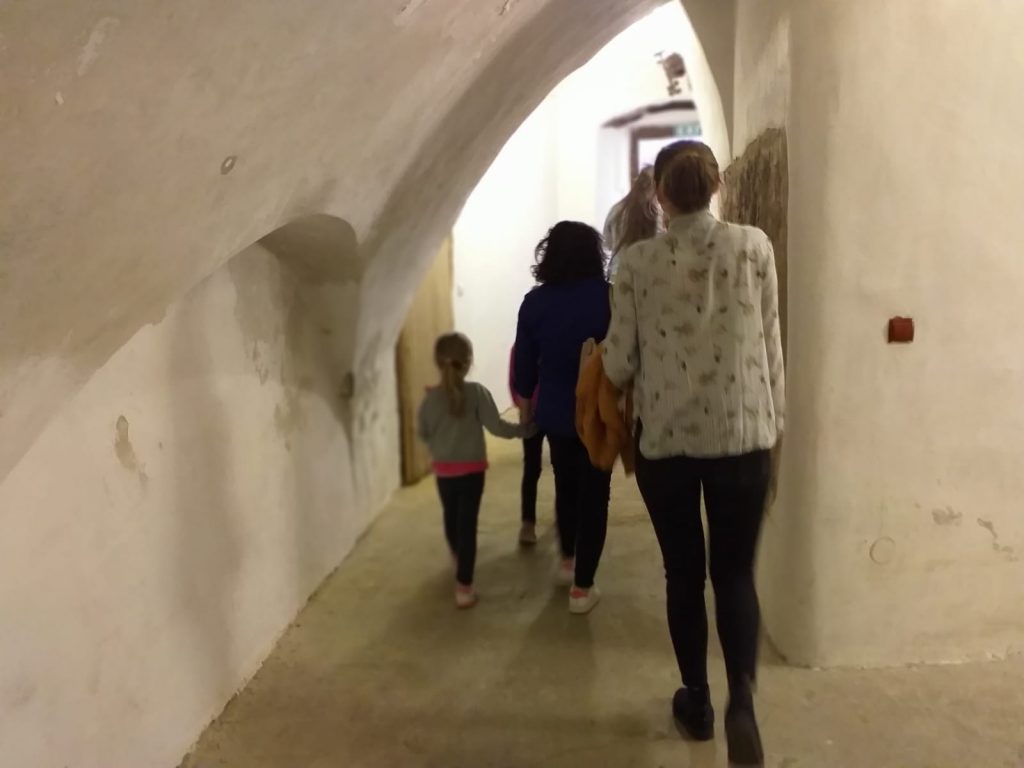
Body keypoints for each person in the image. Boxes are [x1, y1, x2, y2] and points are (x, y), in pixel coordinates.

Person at [602, 140, 785, 767]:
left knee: (683, 574)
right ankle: (742, 704)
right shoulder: (754, 246)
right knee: (735, 574)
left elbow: (620, 362)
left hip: (668, 442)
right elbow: (770, 343)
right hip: (743, 436)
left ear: (659, 195)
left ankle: (697, 702)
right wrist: (774, 423)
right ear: (715, 186)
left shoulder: (636, 263)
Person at [513, 221, 612, 615]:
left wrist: (526, 407)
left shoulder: (534, 303)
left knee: (566, 485)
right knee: (595, 494)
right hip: (599, 413)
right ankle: (582, 589)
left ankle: (568, 560)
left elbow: (524, 367)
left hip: (556, 412)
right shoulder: (609, 297)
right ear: (594, 254)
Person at [418, 333, 536, 609]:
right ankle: (464, 587)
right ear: (469, 361)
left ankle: (457, 558)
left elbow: (424, 433)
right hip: (472, 471)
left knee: (451, 516)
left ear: (438, 362)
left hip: (444, 472)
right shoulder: (477, 393)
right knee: (467, 524)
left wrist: (441, 443)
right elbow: (497, 427)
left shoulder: (430, 400)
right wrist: (526, 430)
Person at [603, 166, 663, 282]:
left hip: (617, 274)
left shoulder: (616, 210)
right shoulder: (655, 214)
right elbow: (661, 247)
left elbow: (608, 244)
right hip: (644, 277)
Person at [509, 345, 543, 547]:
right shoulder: (521, 347)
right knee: (531, 467)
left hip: (556, 409)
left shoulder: (556, 339)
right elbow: (514, 380)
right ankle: (528, 523)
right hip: (531, 413)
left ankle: (565, 516)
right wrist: (524, 408)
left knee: (564, 467)